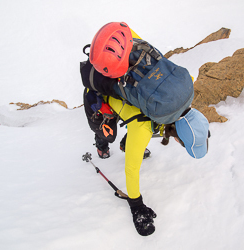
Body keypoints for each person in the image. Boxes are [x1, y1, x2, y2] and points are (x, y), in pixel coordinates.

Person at [81, 22, 210, 236]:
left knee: (143, 132)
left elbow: (136, 40)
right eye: (181, 142)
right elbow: (131, 169)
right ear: (178, 137)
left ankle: (123, 142)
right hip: (99, 88)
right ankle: (102, 145)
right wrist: (136, 204)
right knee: (106, 131)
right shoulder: (144, 128)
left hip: (120, 47)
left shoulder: (183, 89)